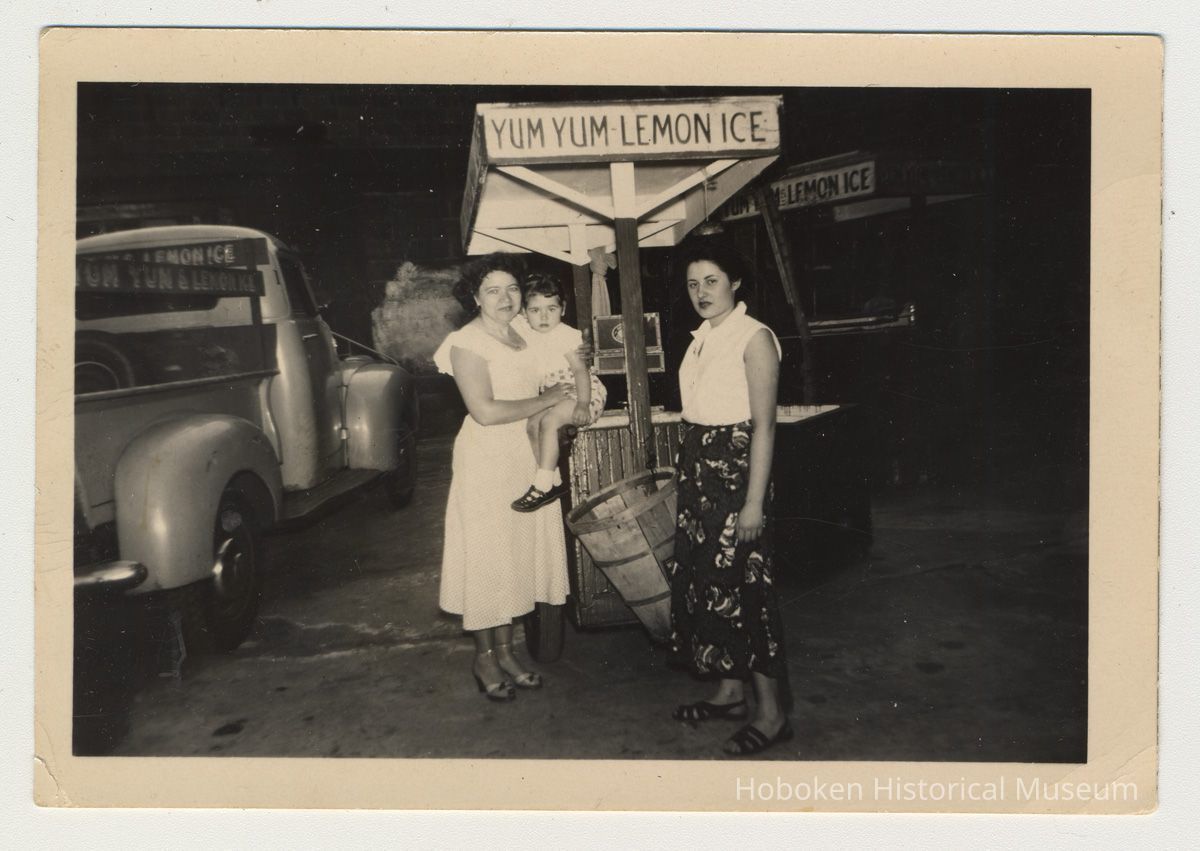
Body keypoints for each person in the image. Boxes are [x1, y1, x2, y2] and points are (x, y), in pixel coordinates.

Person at [667, 240, 793, 756]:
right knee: (706, 583)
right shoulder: (701, 338)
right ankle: (728, 692)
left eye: (712, 281)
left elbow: (763, 426)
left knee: (748, 591)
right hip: (700, 472)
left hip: (738, 474)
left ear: (735, 282)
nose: (701, 292)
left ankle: (772, 714)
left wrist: (754, 503)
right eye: (694, 283)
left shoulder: (754, 337)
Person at [432, 254, 573, 702]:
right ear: (474, 297)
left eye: (512, 288)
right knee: (488, 557)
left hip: (525, 455)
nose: (505, 298)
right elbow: (486, 410)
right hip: (487, 458)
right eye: (492, 290)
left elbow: (564, 368)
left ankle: (508, 652)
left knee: (515, 556)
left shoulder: (527, 334)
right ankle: (483, 659)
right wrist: (546, 400)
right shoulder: (466, 343)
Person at [510, 272, 608, 512]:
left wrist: (583, 404)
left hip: (581, 390)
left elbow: (580, 371)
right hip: (556, 393)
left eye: (551, 309)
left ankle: (541, 485)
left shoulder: (566, 335)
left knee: (551, 422)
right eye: (535, 310)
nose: (544, 317)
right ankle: (553, 480)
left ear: (562, 309)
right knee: (533, 425)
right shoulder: (529, 332)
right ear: (524, 313)